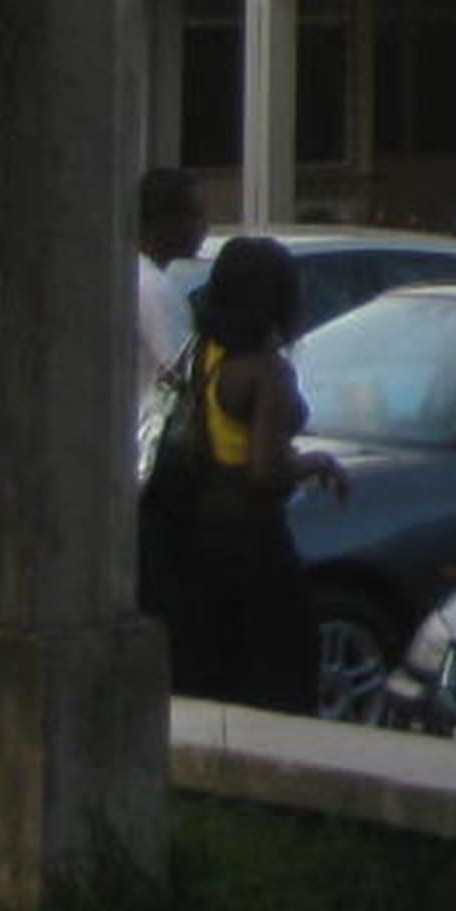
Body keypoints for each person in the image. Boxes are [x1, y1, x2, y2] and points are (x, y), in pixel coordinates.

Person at [147, 235, 348, 712]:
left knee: (214, 657)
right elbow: (264, 470)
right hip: (252, 531)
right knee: (280, 661)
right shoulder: (266, 371)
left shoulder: (205, 352)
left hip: (198, 521)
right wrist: (318, 463)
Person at [132, 167, 201, 397]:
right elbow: (183, 375)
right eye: (195, 214)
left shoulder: (129, 276)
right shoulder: (154, 287)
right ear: (165, 219)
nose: (203, 227)